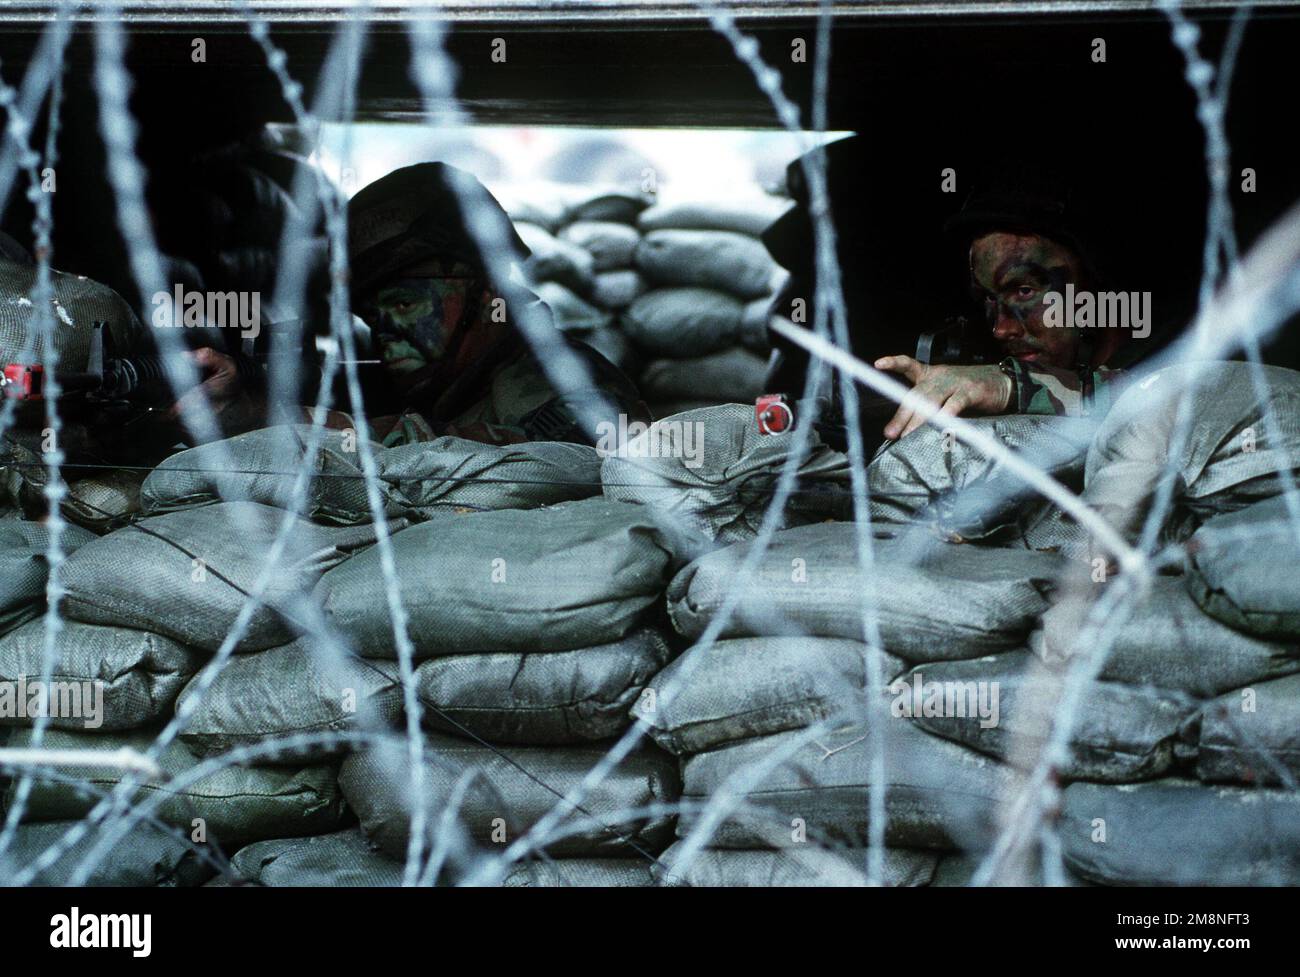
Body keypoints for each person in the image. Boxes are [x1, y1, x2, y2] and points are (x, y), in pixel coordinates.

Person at [347, 161, 648, 446]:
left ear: (487, 296)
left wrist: (362, 438)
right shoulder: (450, 386)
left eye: (403, 305)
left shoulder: (560, 378)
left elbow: (553, 463)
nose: (385, 330)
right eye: (371, 317)